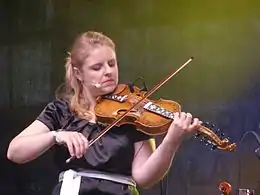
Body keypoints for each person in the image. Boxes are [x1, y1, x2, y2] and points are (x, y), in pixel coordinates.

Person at [7, 31, 202, 195]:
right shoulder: (61, 110)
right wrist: (56, 136)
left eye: (112, 63)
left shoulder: (133, 112)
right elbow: (15, 151)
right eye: (97, 67)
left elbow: (144, 177)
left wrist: (171, 141)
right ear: (78, 73)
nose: (108, 71)